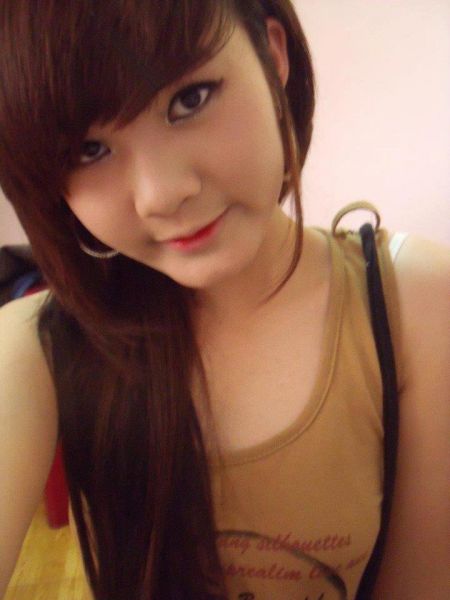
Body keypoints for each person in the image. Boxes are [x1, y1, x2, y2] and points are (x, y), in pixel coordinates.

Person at [0, 1, 448, 599]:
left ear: (273, 54)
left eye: (190, 100)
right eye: (89, 150)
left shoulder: (413, 304)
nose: (162, 194)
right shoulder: (39, 346)